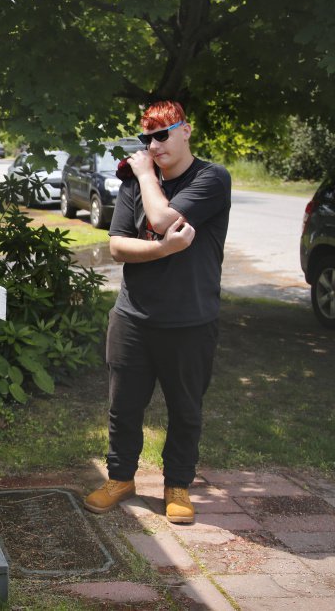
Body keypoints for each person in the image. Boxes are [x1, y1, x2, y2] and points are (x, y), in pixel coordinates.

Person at [83, 100, 231, 524]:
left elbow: (163, 218)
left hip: (191, 320)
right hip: (133, 317)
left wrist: (147, 175)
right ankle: (120, 478)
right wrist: (164, 250)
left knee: (185, 410)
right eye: (146, 139)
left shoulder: (211, 178)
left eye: (162, 135)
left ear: (186, 130)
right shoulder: (134, 184)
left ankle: (177, 486)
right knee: (123, 407)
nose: (153, 145)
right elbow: (117, 246)